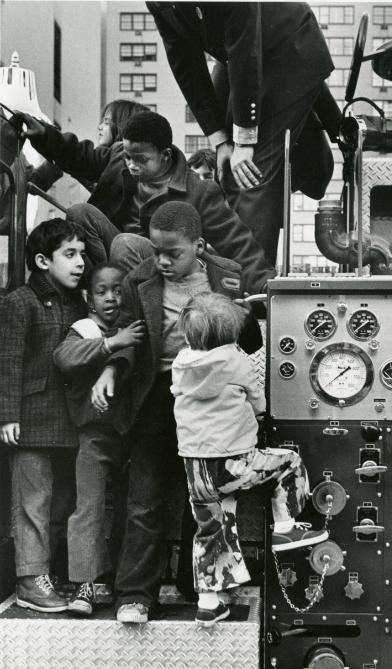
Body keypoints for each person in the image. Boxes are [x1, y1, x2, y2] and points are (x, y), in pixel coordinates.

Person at [90, 201, 262, 624]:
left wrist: (242, 312)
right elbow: (127, 337)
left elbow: (251, 343)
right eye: (156, 250)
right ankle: (134, 596)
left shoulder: (225, 275)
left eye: (174, 253)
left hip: (212, 403)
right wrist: (111, 369)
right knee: (143, 499)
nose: (162, 261)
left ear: (198, 245)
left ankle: (197, 584)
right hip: (158, 398)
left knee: (202, 497)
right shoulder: (139, 280)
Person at [171, 292, 329, 627]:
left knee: (212, 528)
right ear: (231, 334)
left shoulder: (181, 362)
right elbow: (258, 402)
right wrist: (260, 414)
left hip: (196, 469)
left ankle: (209, 603)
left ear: (189, 335)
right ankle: (287, 529)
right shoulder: (237, 360)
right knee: (287, 463)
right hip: (232, 462)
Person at [147, 1, 342, 265]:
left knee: (251, 173)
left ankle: (254, 290)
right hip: (235, 53)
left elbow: (246, 49)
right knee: (228, 170)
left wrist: (246, 141)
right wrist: (221, 141)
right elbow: (184, 61)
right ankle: (233, 270)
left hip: (286, 47)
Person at [11, 110, 276, 294]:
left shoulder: (199, 191)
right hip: (115, 262)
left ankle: (130, 315)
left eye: (141, 159)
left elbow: (237, 241)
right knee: (80, 213)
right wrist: (44, 135)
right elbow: (79, 155)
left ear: (165, 155)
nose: (131, 165)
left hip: (162, 273)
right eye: (127, 156)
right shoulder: (118, 159)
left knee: (126, 243)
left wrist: (265, 284)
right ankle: (99, 294)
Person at [0, 218, 88, 612]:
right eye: (69, 254)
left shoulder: (77, 302)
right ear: (41, 260)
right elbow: (8, 362)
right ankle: (29, 580)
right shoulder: (20, 302)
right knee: (32, 501)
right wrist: (6, 416)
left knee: (60, 502)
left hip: (68, 422)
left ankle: (46, 576)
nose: (80, 262)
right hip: (31, 420)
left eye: (82, 253)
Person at [53, 263, 146, 615]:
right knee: (87, 508)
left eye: (118, 289)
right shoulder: (85, 329)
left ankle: (127, 582)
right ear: (88, 298)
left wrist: (121, 343)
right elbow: (63, 357)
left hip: (134, 434)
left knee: (134, 509)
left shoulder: (135, 326)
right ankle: (85, 585)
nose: (111, 297)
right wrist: (109, 344)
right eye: (102, 291)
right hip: (95, 434)